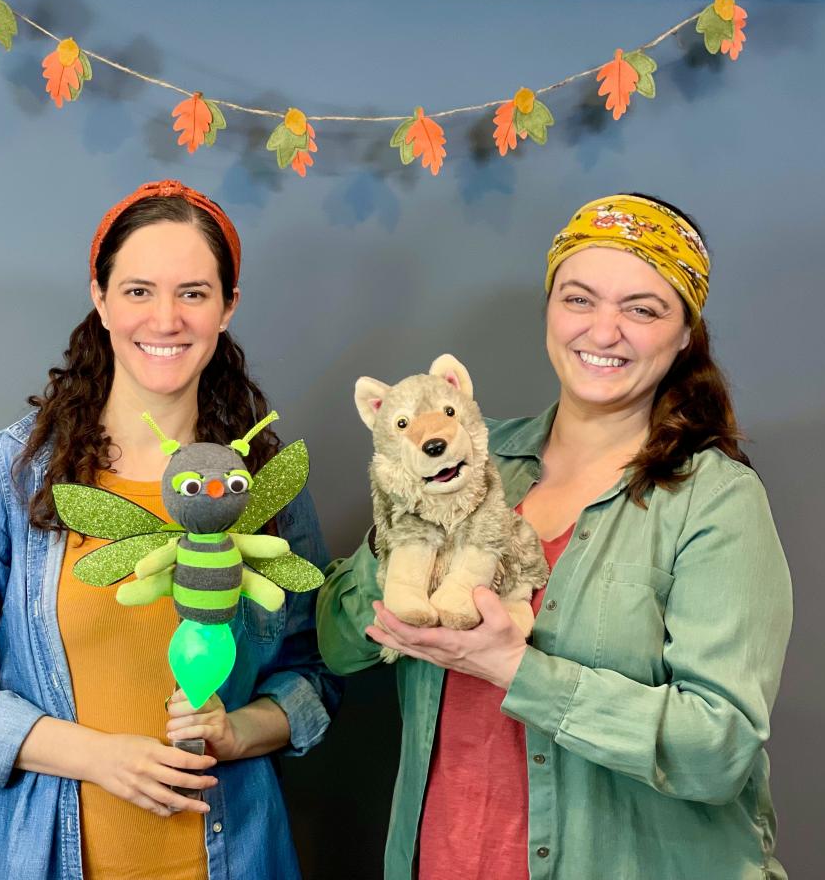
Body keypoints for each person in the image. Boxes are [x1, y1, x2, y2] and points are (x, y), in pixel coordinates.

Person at [317, 193, 793, 880]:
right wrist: (401, 533)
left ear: (685, 333)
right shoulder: (471, 462)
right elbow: (336, 644)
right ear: (549, 308)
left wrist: (517, 670)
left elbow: (716, 750)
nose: (604, 332)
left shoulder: (714, 501)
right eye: (579, 299)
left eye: (642, 308)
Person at [0, 179, 340, 880]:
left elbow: (312, 674)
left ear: (228, 307)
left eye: (193, 292)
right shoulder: (5, 478)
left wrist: (237, 732)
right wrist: (99, 756)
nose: (165, 319)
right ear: (100, 299)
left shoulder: (266, 483)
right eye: (138, 291)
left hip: (240, 858)